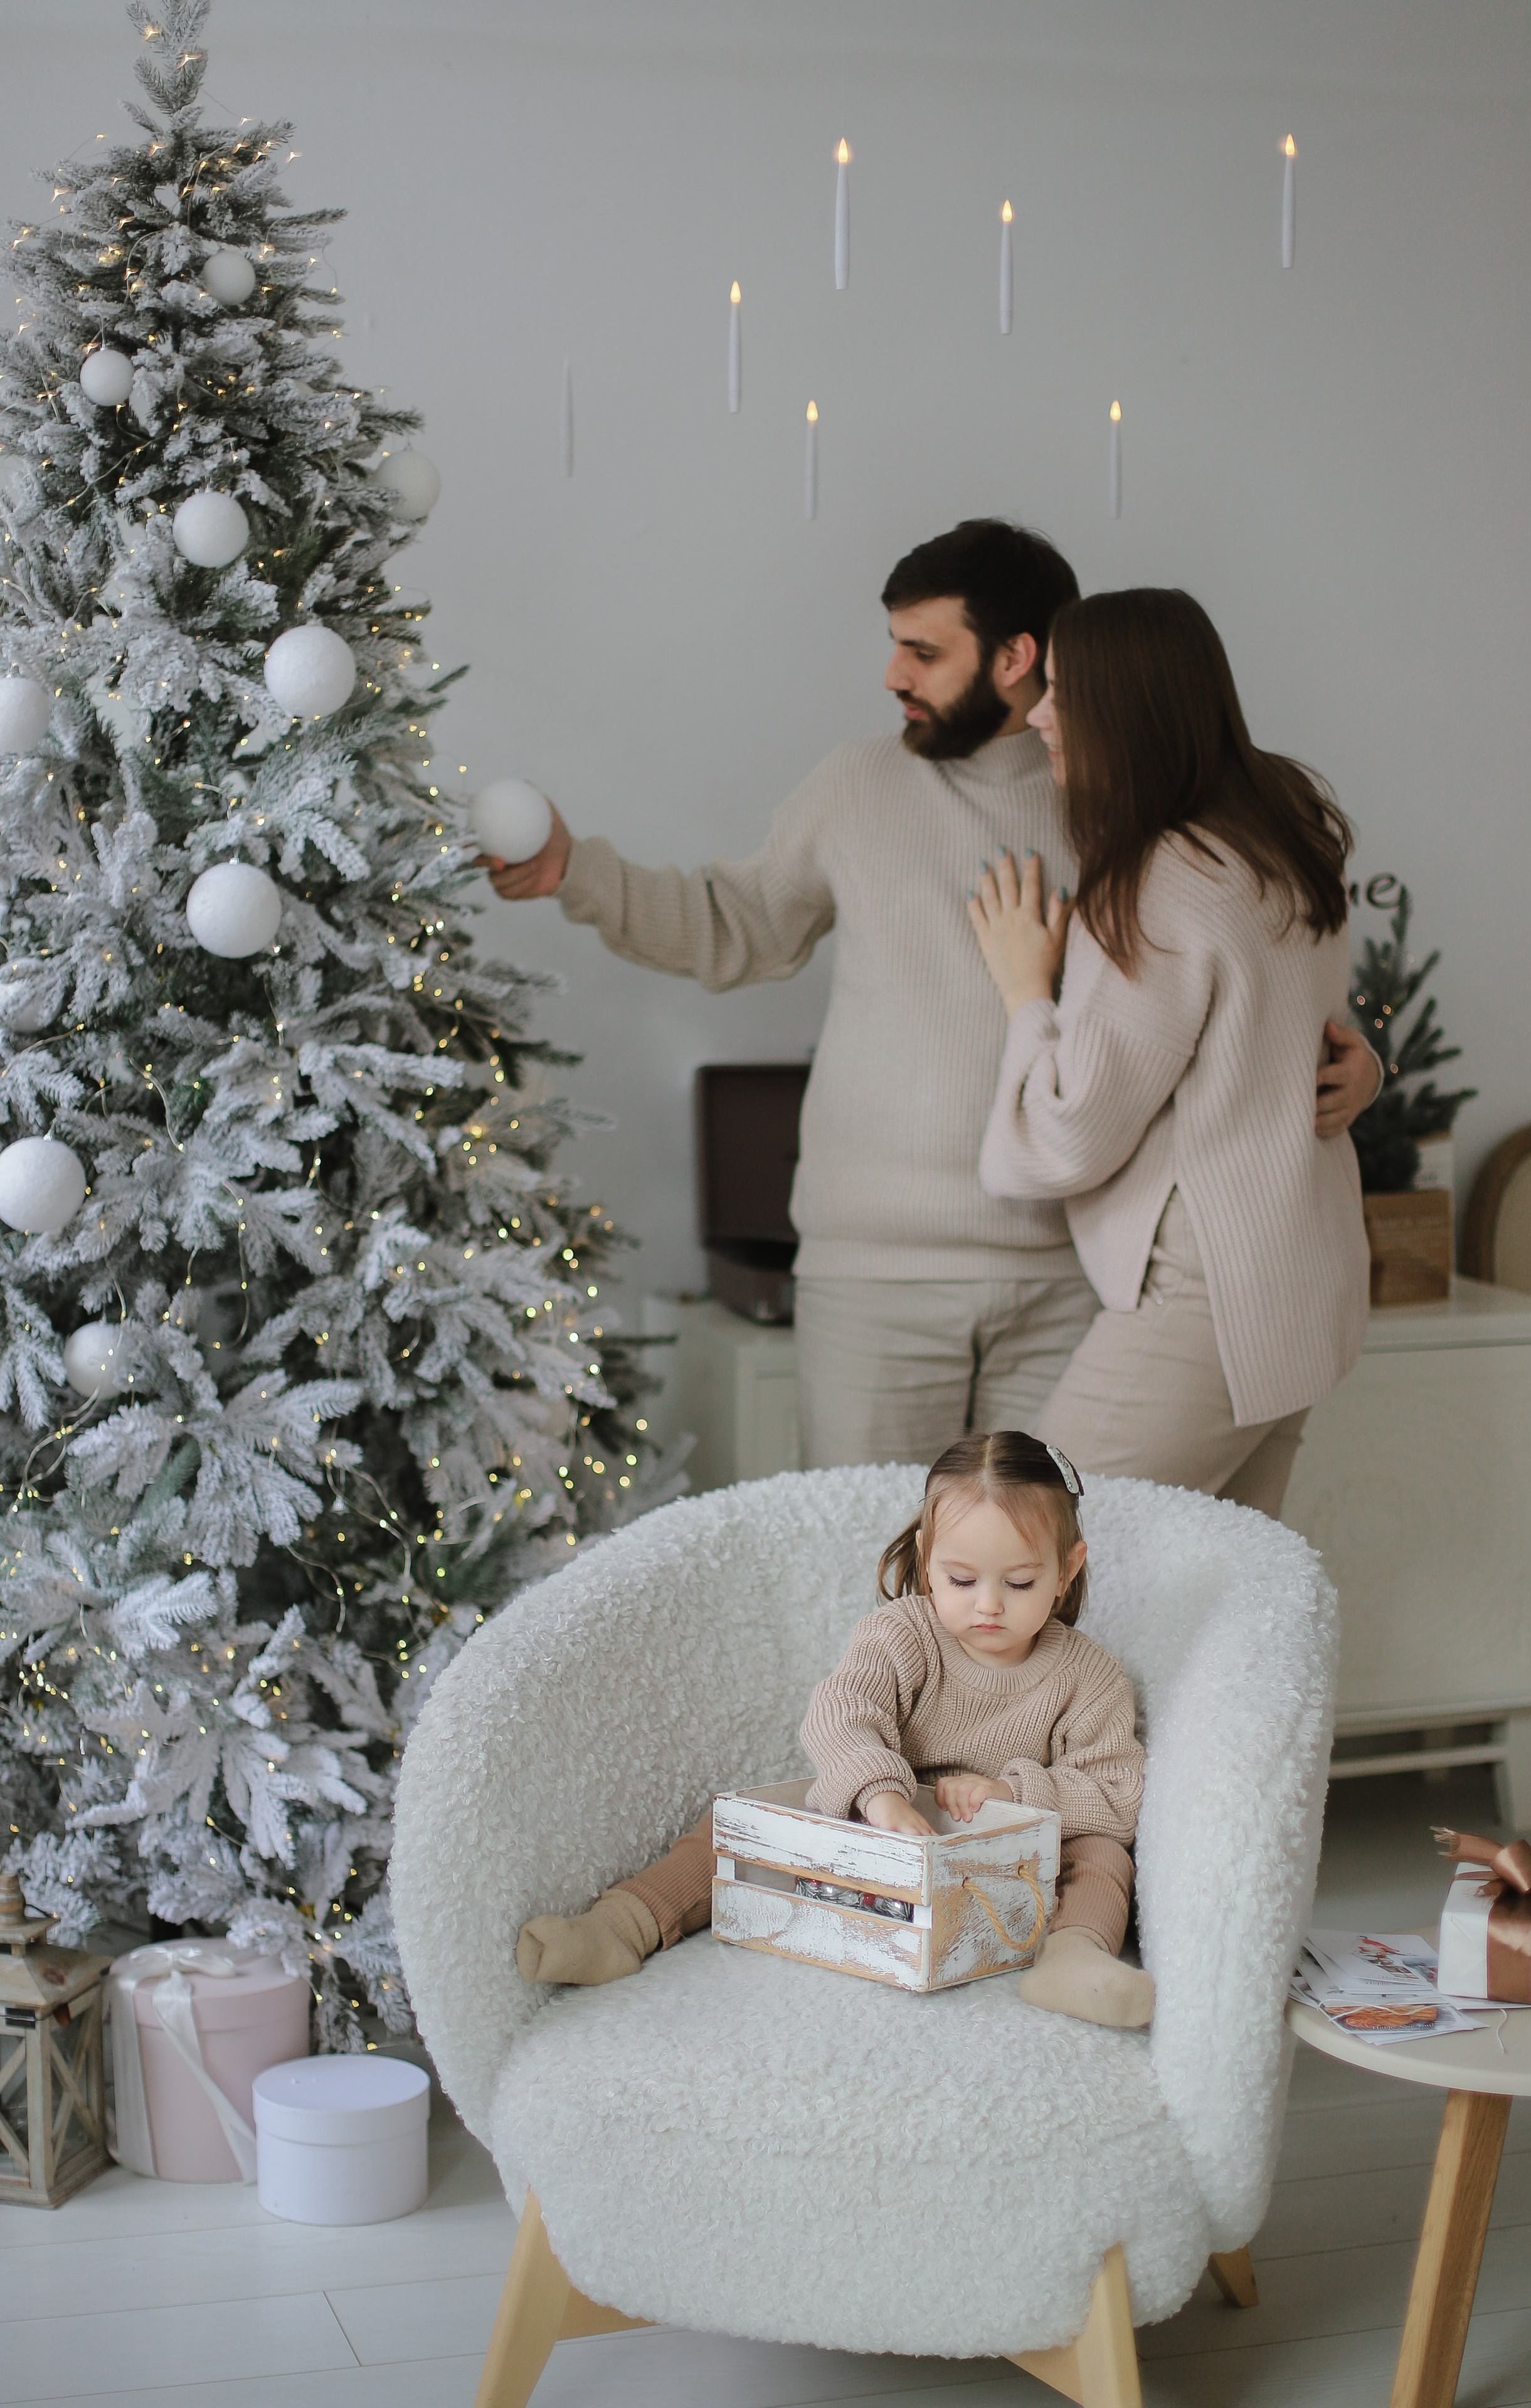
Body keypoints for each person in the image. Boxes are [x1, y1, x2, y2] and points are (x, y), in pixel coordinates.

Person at [482, 520, 1379, 1471]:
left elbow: (1234, 972)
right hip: (876, 1279)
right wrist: (575, 872)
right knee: (877, 1572)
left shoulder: (1129, 806)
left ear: (1016, 657)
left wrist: (1346, 1064)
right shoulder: (855, 787)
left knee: (1049, 1594)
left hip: (1076, 1279)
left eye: (922, 651)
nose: (892, 676)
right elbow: (730, 921)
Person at [514, 1428, 1153, 2028]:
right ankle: (623, 1925)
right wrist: (879, 1795)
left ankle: (1074, 1957)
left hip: (1000, 1862)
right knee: (738, 1824)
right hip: (881, 1828)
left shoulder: (1087, 1674)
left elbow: (1116, 1793)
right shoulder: (903, 1634)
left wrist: (1013, 1794)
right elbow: (841, 1713)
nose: (988, 1604)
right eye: (961, 1579)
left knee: (1099, 1855)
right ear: (929, 1558)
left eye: (1020, 1582)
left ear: (1067, 1569)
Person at [968, 588, 1372, 1519]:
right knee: (1227, 1605)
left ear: (1125, 706)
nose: (1037, 716)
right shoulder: (1283, 830)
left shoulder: (1157, 878)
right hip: (1299, 1287)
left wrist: (1027, 990)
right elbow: (1302, 1039)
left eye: (1061, 693)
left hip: (1210, 1296)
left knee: (1027, 1543)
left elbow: (1069, 1135)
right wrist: (1370, 1073)